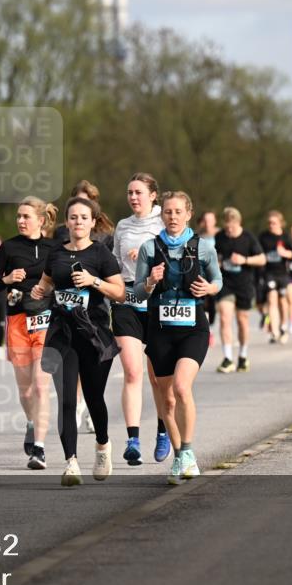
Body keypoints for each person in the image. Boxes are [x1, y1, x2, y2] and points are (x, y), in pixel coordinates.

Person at [30, 196, 124, 486]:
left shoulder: (100, 255)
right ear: (67, 222)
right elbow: (47, 282)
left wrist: (94, 282)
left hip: (93, 335)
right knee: (67, 400)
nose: (78, 222)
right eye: (73, 217)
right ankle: (71, 462)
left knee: (95, 398)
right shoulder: (56, 253)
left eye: (84, 217)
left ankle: (102, 446)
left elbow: (119, 292)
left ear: (93, 222)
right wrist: (39, 290)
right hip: (62, 334)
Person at [131, 191, 222, 484]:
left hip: (193, 328)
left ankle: (187, 451)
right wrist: (150, 281)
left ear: (188, 214)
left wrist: (209, 289)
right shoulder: (149, 248)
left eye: (177, 212)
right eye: (168, 212)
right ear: (162, 215)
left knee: (182, 388)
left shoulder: (203, 247)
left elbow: (218, 281)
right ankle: (182, 457)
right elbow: (137, 292)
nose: (172, 217)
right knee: (166, 403)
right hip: (159, 331)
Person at [0, 197, 58, 469]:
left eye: (26, 216)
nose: (20, 220)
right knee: (26, 390)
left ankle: (39, 448)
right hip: (17, 322)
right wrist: (6, 279)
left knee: (41, 385)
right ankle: (31, 422)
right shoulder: (9, 247)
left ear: (41, 220)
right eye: (18, 216)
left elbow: (62, 279)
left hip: (46, 321)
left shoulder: (54, 247)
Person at [112, 173, 174, 466]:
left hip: (157, 300)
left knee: (157, 377)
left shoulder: (165, 221)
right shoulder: (122, 226)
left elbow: (177, 256)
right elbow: (114, 262)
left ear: (153, 195)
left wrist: (149, 257)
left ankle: (163, 431)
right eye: (130, 192)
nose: (133, 197)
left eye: (138, 192)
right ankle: (132, 439)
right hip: (127, 299)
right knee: (132, 371)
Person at [54, 180, 114, 432]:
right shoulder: (59, 235)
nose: (79, 219)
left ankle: (91, 405)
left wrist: (94, 281)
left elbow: (114, 276)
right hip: (66, 311)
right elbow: (51, 268)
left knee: (92, 370)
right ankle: (76, 405)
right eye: (75, 211)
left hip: (96, 310)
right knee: (71, 364)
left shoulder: (106, 236)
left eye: (88, 202)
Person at [213, 207, 264, 373]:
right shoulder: (219, 237)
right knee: (225, 318)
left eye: (232, 227)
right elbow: (216, 256)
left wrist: (245, 259)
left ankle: (243, 355)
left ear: (238, 223)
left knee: (242, 320)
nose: (229, 230)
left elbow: (262, 259)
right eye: (226, 227)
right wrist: (217, 264)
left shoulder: (248, 237)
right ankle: (228, 358)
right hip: (226, 283)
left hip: (244, 284)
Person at [258, 211, 292, 344]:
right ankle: (274, 330)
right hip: (269, 273)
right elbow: (257, 251)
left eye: (274, 223)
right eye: (269, 223)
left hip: (283, 273)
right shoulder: (263, 237)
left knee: (283, 301)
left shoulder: (285, 237)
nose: (271, 225)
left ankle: (283, 326)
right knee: (272, 299)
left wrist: (285, 253)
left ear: (280, 223)